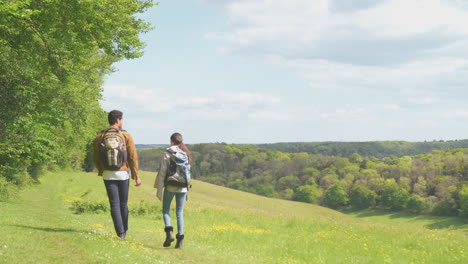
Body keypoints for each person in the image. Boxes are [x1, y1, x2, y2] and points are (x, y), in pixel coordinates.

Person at [93, 110, 141, 240]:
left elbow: (96, 157)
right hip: (123, 173)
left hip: (108, 174)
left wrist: (101, 169)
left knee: (114, 204)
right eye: (122, 119)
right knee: (123, 204)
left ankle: (120, 233)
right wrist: (136, 175)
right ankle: (124, 231)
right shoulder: (126, 135)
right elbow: (132, 156)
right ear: (118, 120)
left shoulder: (100, 136)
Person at [154, 132, 191, 249]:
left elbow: (162, 173)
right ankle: (180, 241)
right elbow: (188, 174)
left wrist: (159, 190)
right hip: (183, 187)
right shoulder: (186, 154)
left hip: (170, 186)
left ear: (171, 141)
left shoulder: (167, 153)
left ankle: (169, 233)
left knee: (166, 210)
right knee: (179, 213)